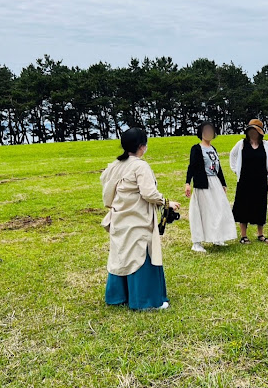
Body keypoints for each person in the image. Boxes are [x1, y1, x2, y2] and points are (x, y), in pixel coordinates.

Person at [101, 127, 180, 311]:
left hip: (120, 217)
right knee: (140, 255)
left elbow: (107, 195)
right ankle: (145, 300)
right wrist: (166, 202)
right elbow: (149, 193)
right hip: (137, 219)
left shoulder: (115, 165)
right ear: (142, 146)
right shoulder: (140, 165)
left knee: (121, 255)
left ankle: (118, 296)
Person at [185, 121, 237, 253]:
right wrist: (187, 183)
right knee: (202, 212)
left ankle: (217, 238)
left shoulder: (213, 149)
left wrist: (223, 183)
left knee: (219, 210)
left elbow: (218, 168)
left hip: (215, 183)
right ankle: (196, 242)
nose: (208, 133)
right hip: (203, 184)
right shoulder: (196, 148)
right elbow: (192, 166)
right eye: (205, 131)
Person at [229, 119, 268, 243]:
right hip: (245, 180)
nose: (252, 133)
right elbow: (232, 155)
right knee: (243, 206)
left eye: (255, 130)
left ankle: (260, 234)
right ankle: (243, 236)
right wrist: (235, 170)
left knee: (260, 205)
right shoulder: (241, 143)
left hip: (261, 180)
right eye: (250, 130)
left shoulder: (266, 144)